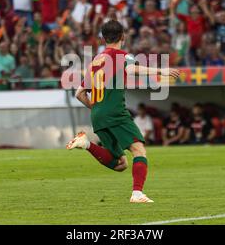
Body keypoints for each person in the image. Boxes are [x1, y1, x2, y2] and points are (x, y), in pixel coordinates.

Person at [66, 20, 179, 203]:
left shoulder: (95, 61)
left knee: (120, 164)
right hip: (116, 113)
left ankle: (86, 144)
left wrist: (98, 109)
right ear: (123, 37)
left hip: (98, 115)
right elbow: (133, 68)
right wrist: (160, 71)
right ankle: (137, 194)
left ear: (103, 38)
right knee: (139, 150)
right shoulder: (121, 55)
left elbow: (79, 93)